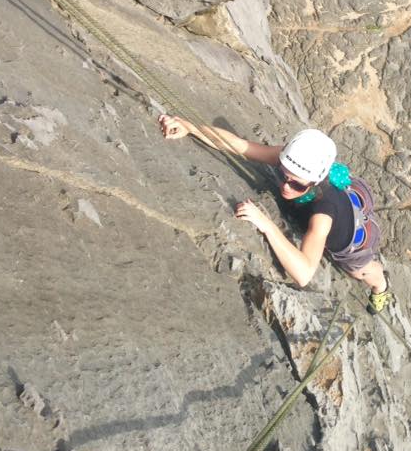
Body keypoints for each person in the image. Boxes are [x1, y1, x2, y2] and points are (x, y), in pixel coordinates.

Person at [158, 115, 392, 311]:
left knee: (359, 272)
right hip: (347, 200)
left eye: (297, 185)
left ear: (315, 181)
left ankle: (381, 287)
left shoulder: (322, 214)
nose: (285, 186)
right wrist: (190, 128)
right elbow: (241, 146)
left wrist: (266, 224)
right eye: (283, 174)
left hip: (353, 243)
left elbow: (304, 274)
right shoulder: (297, 162)